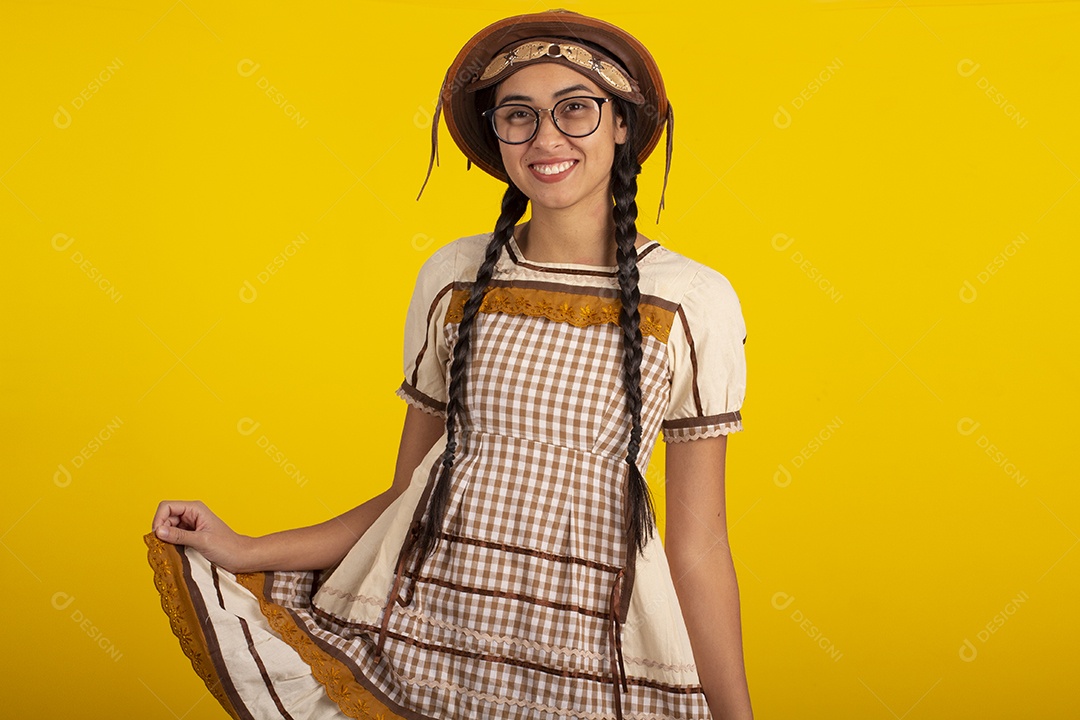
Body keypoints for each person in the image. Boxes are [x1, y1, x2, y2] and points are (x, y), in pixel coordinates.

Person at [146, 10, 753, 720]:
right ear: (498, 135)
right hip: (426, 641)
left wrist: (736, 714)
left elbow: (699, 544)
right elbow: (408, 497)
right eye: (518, 115)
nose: (546, 137)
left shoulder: (692, 301)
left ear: (622, 125)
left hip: (591, 657)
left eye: (576, 110)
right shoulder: (455, 276)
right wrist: (246, 547)